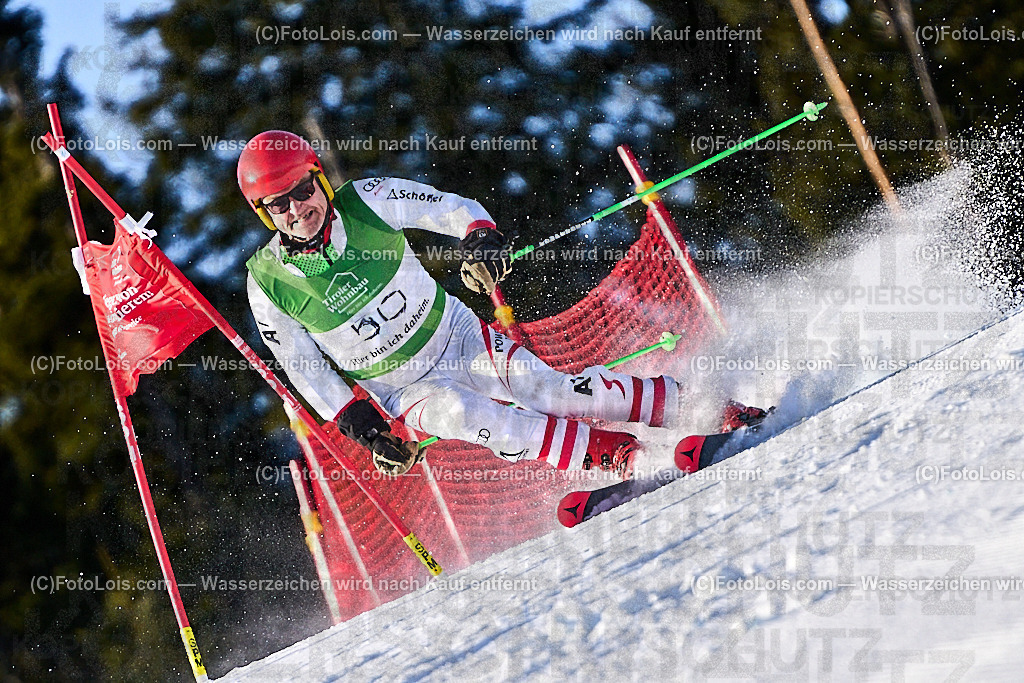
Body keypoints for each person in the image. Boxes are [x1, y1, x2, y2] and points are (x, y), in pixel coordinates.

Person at [239, 131, 762, 479]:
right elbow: (301, 365)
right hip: (402, 388)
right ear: (265, 214)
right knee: (473, 418)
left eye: (302, 190)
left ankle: (707, 410)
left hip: (456, 336)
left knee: (553, 391)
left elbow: (451, 208)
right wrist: (360, 424)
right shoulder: (267, 283)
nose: (297, 209)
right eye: (278, 204)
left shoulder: (366, 200)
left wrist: (479, 238)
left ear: (319, 179)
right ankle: (616, 455)